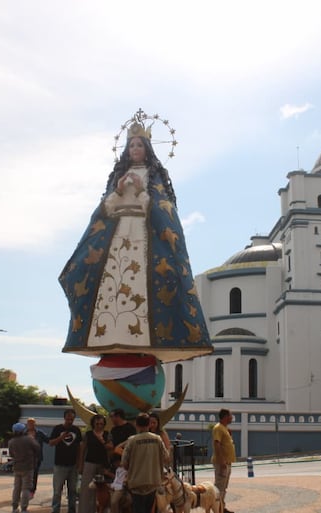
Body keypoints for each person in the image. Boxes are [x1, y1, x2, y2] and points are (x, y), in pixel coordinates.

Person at [59, 112, 212, 364]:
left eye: (139, 145)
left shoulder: (154, 176)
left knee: (146, 285)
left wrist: (141, 191)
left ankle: (143, 337)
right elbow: (103, 212)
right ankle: (110, 334)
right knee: (111, 285)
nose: (134, 149)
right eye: (131, 145)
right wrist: (118, 192)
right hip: (116, 239)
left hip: (144, 240)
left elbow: (164, 209)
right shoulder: (116, 177)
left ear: (147, 148)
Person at [121, 412, 169, 513]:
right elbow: (166, 457)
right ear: (148, 424)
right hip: (153, 481)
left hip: (136, 483)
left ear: (136, 425)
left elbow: (124, 463)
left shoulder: (132, 440)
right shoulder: (157, 439)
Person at [49, 409, 83, 513]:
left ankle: (72, 510)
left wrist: (79, 463)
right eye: (68, 418)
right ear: (64, 418)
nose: (70, 421)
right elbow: (51, 443)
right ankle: (55, 510)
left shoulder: (76, 430)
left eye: (72, 419)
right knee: (57, 491)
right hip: (59, 465)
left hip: (73, 466)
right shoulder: (57, 429)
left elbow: (80, 447)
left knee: (72, 491)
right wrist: (61, 437)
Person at [79, 414, 112, 513]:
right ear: (93, 423)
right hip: (89, 463)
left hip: (103, 464)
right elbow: (82, 450)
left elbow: (110, 447)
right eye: (97, 423)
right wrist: (81, 465)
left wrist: (102, 440)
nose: (99, 425)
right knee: (87, 489)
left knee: (103, 490)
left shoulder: (107, 434)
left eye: (101, 423)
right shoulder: (88, 434)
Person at [9, 422, 41, 513]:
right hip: (28, 468)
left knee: (16, 488)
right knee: (26, 489)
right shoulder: (29, 439)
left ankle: (14, 508)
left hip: (16, 467)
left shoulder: (11, 442)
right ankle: (24, 509)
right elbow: (38, 448)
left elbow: (11, 454)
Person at [212, 409, 236, 513]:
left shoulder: (224, 428)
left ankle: (221, 506)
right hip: (222, 462)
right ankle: (217, 508)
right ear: (226, 416)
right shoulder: (218, 428)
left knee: (223, 487)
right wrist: (222, 461)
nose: (232, 417)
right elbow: (217, 444)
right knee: (219, 487)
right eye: (231, 415)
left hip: (227, 462)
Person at [26, 417, 49, 498]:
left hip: (37, 458)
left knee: (34, 474)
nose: (30, 425)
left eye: (32, 423)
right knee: (26, 475)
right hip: (26, 458)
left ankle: (32, 490)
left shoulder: (39, 433)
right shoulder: (24, 433)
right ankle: (26, 490)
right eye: (29, 423)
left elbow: (48, 440)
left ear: (35, 424)